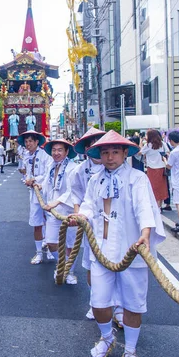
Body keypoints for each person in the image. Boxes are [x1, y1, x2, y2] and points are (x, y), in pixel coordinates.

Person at [69, 130, 165, 357]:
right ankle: (106, 338)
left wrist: (145, 233)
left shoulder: (137, 178)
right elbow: (89, 204)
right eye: (105, 152)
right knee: (99, 302)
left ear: (125, 153)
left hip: (131, 249)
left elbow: (144, 207)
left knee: (133, 304)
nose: (110, 157)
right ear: (99, 155)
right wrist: (80, 216)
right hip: (101, 250)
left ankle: (130, 350)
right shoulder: (95, 179)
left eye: (114, 152)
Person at [69, 128, 107, 319]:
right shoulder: (79, 170)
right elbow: (77, 195)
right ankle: (95, 302)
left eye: (98, 142)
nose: (95, 147)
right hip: (91, 223)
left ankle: (117, 307)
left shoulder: (115, 167)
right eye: (91, 144)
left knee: (116, 267)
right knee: (93, 265)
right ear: (86, 149)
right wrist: (79, 215)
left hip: (115, 225)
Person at [41, 138, 78, 284]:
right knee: (51, 242)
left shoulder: (73, 168)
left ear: (67, 151)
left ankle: (70, 272)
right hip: (52, 211)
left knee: (70, 245)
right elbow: (46, 184)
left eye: (60, 150)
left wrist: (57, 201)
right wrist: (37, 184)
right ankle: (62, 265)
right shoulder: (51, 165)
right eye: (54, 150)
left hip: (68, 210)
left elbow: (73, 190)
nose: (56, 153)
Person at [21, 130, 53, 265]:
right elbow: (26, 173)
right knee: (36, 223)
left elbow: (48, 173)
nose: (28, 144)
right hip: (34, 193)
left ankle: (51, 250)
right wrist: (27, 180)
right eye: (26, 141)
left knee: (51, 222)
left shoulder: (46, 155)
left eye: (30, 141)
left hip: (46, 192)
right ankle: (39, 253)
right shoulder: (26, 156)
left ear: (36, 142)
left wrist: (35, 179)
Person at [140, 129, 169, 209]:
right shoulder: (162, 144)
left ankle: (154, 205)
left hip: (151, 169)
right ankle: (159, 206)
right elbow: (168, 153)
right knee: (161, 188)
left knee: (153, 188)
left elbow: (140, 153)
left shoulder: (148, 145)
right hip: (161, 169)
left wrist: (141, 142)